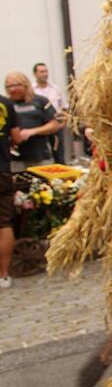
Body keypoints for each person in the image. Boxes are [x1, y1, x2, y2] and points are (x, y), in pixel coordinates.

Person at [5, 72, 59, 170]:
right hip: (15, 160)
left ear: (25, 85)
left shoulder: (40, 101)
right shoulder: (6, 104)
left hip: (40, 157)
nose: (12, 89)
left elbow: (54, 125)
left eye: (16, 85)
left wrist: (32, 132)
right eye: (8, 86)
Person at [0, 92, 22, 289]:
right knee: (4, 223)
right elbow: (16, 137)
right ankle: (4, 275)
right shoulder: (5, 102)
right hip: (2, 169)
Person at [32, 63, 66, 163]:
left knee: (59, 154)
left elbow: (64, 107)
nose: (45, 74)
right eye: (41, 71)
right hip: (41, 126)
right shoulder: (31, 90)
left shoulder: (56, 89)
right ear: (35, 74)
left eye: (46, 71)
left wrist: (63, 123)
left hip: (56, 125)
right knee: (43, 155)